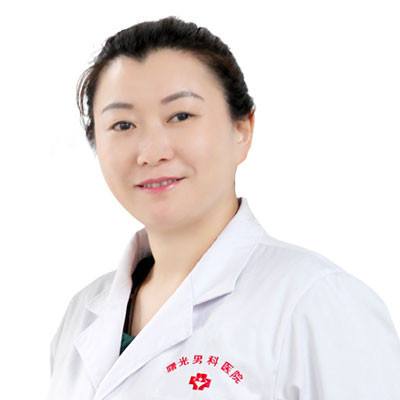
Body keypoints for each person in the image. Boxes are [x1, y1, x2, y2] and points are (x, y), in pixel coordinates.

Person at [46, 16, 400, 400]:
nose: (151, 152)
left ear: (242, 130)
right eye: (123, 125)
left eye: (181, 116)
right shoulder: (81, 316)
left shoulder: (315, 303)